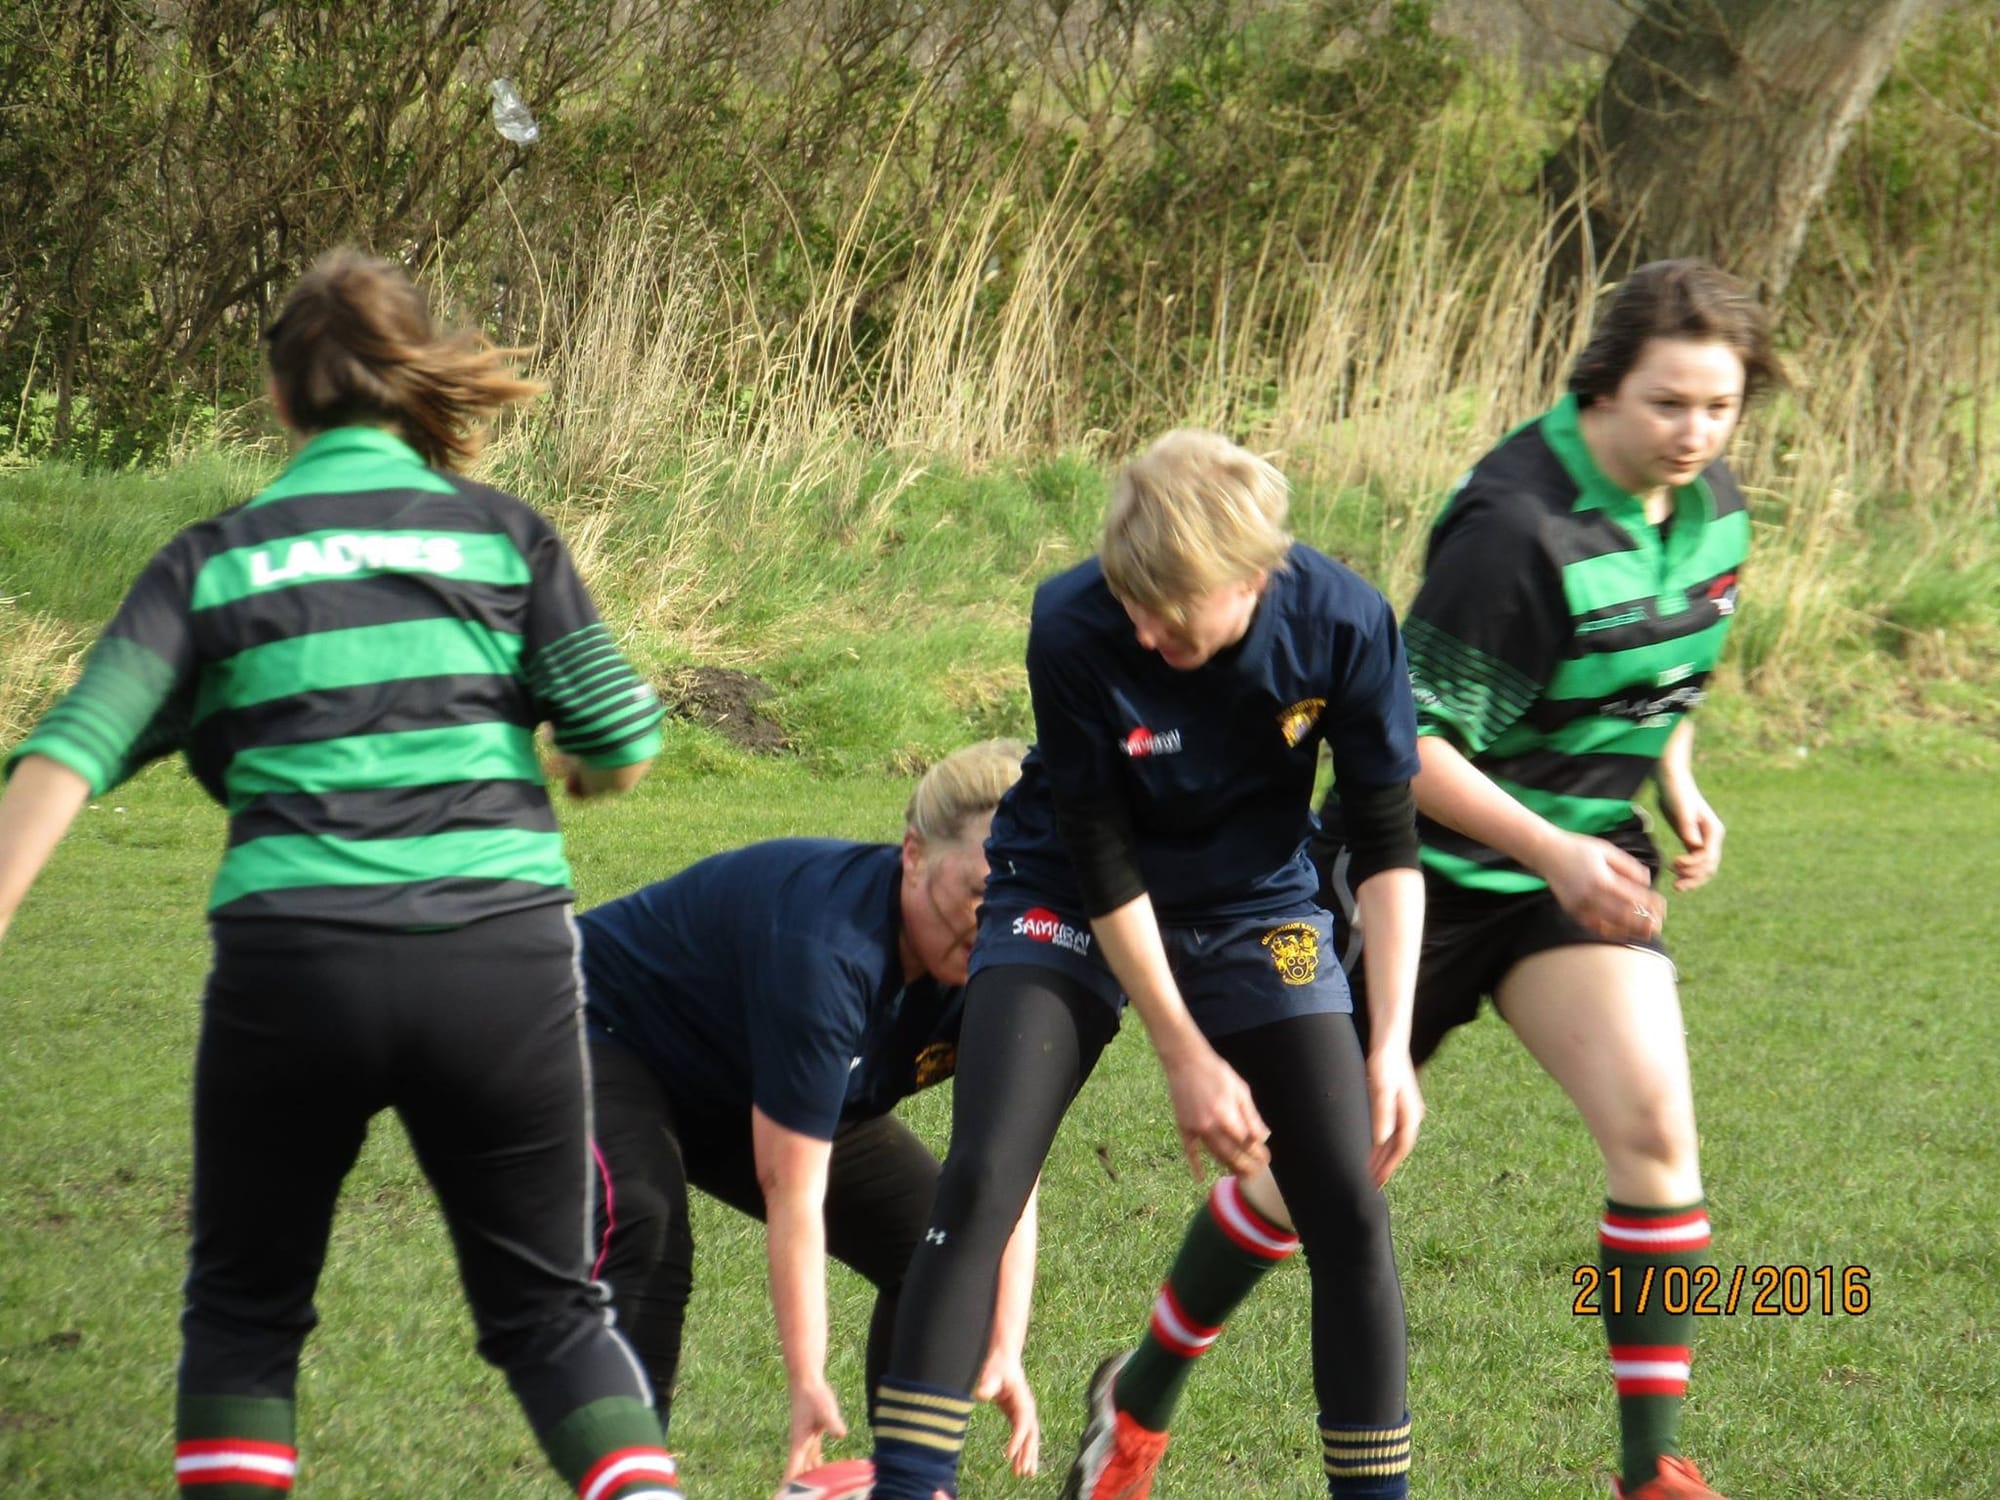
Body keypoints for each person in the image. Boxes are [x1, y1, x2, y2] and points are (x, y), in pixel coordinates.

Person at [0, 249, 683, 1500]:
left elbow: (68, 751)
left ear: (280, 400)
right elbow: (622, 739)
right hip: (498, 964)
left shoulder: (216, 559)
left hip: (292, 965)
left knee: (247, 1313)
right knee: (551, 1318)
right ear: (414, 380)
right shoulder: (502, 538)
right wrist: (582, 770)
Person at [864, 430, 1428, 1500]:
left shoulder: (1343, 623)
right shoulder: (1073, 622)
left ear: (1254, 579)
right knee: (983, 1175)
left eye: (1168, 611)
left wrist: (1388, 1041)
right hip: (1064, 889)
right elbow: (1099, 851)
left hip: (1254, 905)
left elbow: (1387, 842)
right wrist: (1182, 1051)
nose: (1141, 628)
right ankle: (908, 1486)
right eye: (1130, 601)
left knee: (1345, 1204)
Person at [1311, 258, 1781, 1500]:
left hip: (1569, 867)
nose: (1693, 434)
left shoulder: (1713, 506)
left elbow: (1652, 662)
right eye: (1666, 405)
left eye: (1717, 408)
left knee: (1654, 1139)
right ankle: (1137, 1397)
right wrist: (1556, 851)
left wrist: (1671, 780)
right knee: (1315, 1173)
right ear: (1600, 390)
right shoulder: (1512, 529)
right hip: (1421, 873)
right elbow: (1399, 750)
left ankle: (1646, 1472)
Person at [576, 740, 1041, 1489]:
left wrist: (1006, 1345)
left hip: (753, 1077)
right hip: (603, 1030)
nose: (994, 925)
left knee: (939, 1237)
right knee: (645, 1223)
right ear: (914, 855)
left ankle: (908, 1480)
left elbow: (1008, 1162)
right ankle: (636, 1484)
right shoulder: (828, 949)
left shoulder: (1010, 960)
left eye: (1018, 902)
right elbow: (792, 1187)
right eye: (979, 895)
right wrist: (806, 1378)